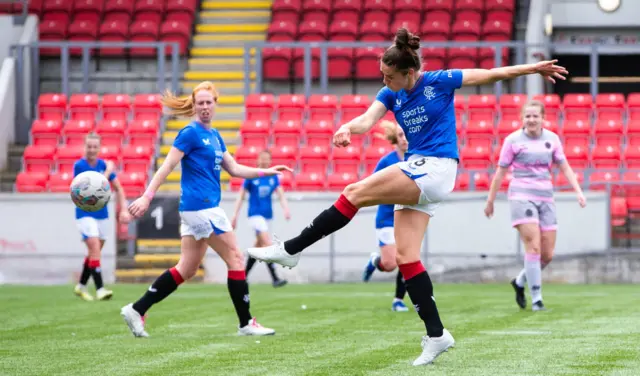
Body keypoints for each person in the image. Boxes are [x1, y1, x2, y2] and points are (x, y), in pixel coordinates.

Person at [247, 27, 568, 366]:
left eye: (389, 75)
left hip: (436, 167)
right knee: (406, 257)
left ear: (409, 72)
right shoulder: (390, 94)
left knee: (354, 192)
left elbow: (488, 75)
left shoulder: (439, 81)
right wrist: (346, 128)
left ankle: (290, 250)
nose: (384, 80)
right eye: (382, 74)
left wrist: (532, 69)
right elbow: (367, 120)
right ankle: (436, 334)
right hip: (420, 171)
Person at [121, 81, 292, 338]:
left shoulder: (215, 136)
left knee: (187, 269)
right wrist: (146, 196)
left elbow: (234, 169)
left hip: (198, 211)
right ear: (194, 105)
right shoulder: (189, 133)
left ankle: (137, 309)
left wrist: (266, 171)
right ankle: (246, 323)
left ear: (215, 105)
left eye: (208, 102)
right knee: (235, 257)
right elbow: (166, 167)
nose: (204, 107)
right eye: (199, 103)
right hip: (201, 208)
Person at [484, 100, 586, 311]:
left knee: (547, 254)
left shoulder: (552, 139)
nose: (531, 120)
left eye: (535, 116)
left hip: (546, 197)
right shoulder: (512, 140)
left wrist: (578, 191)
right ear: (522, 119)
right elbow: (500, 172)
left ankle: (520, 281)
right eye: (527, 116)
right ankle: (537, 299)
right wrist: (490, 200)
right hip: (521, 195)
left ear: (542, 118)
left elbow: (564, 166)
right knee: (534, 246)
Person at [73, 132, 131, 301]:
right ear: (85, 147)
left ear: (99, 148)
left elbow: (119, 188)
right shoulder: (80, 166)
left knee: (94, 252)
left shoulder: (103, 165)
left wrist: (123, 210)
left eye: (94, 146)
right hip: (85, 214)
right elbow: (92, 187)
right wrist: (107, 172)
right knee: (95, 249)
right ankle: (100, 289)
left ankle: (81, 286)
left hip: (103, 214)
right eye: (89, 146)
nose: (91, 150)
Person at [361, 120, 409, 312]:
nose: (405, 139)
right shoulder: (387, 162)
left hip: (408, 216)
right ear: (395, 139)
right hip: (387, 217)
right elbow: (371, 186)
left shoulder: (419, 158)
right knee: (390, 264)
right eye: (400, 135)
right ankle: (376, 261)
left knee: (407, 258)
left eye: (406, 134)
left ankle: (398, 300)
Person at [230, 150, 291, 288]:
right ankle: (275, 278)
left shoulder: (273, 177)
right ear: (258, 160)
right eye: (262, 158)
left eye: (267, 159)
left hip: (267, 216)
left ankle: (243, 277)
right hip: (255, 216)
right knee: (267, 244)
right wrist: (235, 215)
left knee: (258, 248)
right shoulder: (251, 176)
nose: (264, 161)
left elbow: (280, 194)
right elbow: (241, 196)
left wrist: (285, 208)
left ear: (270, 161)